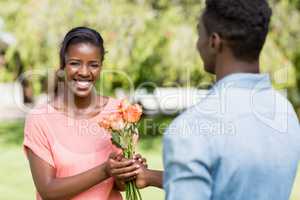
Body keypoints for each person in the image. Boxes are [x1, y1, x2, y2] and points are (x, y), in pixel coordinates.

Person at [163, 0, 300, 200]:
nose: (197, 44)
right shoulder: (285, 113)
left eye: (199, 33)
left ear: (214, 42)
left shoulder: (190, 129)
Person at [23, 27, 146, 200]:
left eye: (93, 65)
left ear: (101, 67)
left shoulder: (120, 111)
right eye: (75, 63)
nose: (84, 72)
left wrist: (129, 171)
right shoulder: (40, 119)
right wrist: (104, 170)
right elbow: (48, 190)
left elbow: (120, 185)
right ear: (62, 65)